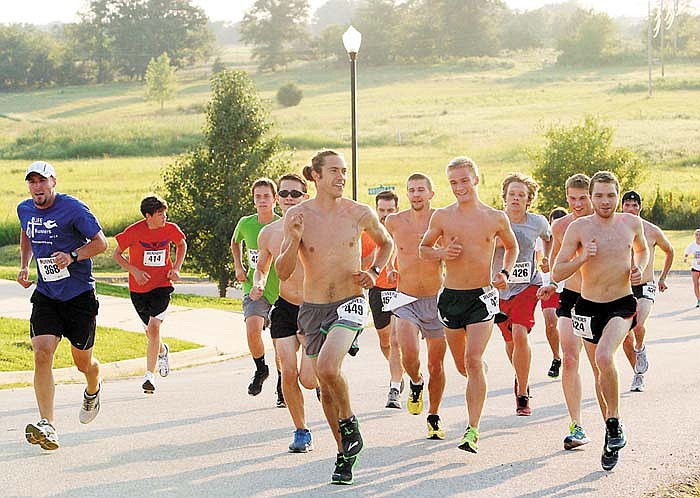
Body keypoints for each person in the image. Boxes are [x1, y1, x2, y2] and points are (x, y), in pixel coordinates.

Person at [276, 150, 393, 485]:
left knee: (328, 368)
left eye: (344, 171)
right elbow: (283, 273)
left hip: (350, 301)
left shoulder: (358, 212)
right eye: (334, 172)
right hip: (312, 309)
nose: (341, 177)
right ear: (315, 176)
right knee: (324, 386)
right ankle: (345, 453)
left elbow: (387, 244)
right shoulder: (297, 216)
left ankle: (350, 423)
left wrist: (373, 270)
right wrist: (294, 240)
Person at [419, 156, 518, 454]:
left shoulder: (495, 217)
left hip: (482, 297)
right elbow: (424, 249)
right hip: (451, 298)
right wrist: (442, 252)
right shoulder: (442, 217)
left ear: (476, 179)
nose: (459, 187)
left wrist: (504, 273)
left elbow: (512, 247)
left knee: (473, 360)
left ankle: (472, 430)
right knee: (463, 365)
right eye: (453, 182)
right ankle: (478, 372)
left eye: (464, 180)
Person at [552, 170, 648, 471]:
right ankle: (609, 430)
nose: (605, 201)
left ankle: (616, 423)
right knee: (598, 371)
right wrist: (582, 258)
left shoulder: (631, 223)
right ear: (591, 197)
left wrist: (639, 268)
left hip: (621, 304)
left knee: (606, 357)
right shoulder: (578, 228)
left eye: (610, 195)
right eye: (599, 195)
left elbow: (642, 250)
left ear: (618, 196)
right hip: (587, 307)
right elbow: (557, 272)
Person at [17, 161, 108, 450]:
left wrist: (72, 255)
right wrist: (24, 265)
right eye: (32, 182)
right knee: (42, 353)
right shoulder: (25, 209)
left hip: (79, 295)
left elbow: (101, 243)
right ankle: (48, 424)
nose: (37, 187)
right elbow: (26, 232)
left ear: (53, 182)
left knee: (83, 362)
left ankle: (93, 388)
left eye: (42, 181)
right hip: (47, 294)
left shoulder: (73, 208)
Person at [251, 173, 318, 453]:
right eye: (285, 194)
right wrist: (258, 283)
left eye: (295, 194)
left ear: (306, 197)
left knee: (309, 379)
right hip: (285, 307)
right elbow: (262, 267)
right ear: (277, 198)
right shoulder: (268, 233)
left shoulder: (317, 229)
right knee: (288, 372)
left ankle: (325, 375)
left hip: (315, 310)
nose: (289, 198)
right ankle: (301, 430)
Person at [384, 173, 450, 440]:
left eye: (421, 189)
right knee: (408, 352)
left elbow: (454, 253)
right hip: (406, 297)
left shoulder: (442, 220)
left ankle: (433, 416)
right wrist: (389, 265)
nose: (416, 194)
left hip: (435, 299)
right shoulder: (395, 220)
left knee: (436, 364)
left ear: (431, 193)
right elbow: (389, 244)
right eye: (411, 190)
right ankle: (414, 381)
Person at [537, 174, 599, 451]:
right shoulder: (561, 226)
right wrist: (551, 284)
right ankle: (577, 424)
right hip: (570, 297)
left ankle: (611, 421)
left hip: (600, 298)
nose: (576, 204)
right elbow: (555, 263)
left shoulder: (605, 222)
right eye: (571, 199)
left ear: (591, 196)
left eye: (582, 198)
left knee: (600, 364)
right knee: (571, 358)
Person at [113, 195, 187, 394]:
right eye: (160, 214)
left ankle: (149, 376)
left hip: (162, 284)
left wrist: (177, 268)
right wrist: (134, 271)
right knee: (150, 332)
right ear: (148, 216)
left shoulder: (170, 229)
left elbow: (181, 244)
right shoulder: (134, 231)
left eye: (165, 213)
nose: (164, 217)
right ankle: (162, 351)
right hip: (139, 289)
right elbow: (116, 254)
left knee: (154, 328)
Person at [494, 173, 552, 416]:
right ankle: (522, 376)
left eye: (521, 195)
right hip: (500, 288)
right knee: (510, 343)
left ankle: (523, 394)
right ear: (504, 198)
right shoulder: (494, 220)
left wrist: (547, 257)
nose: (516, 199)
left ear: (529, 200)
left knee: (520, 332)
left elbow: (549, 238)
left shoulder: (537, 222)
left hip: (528, 285)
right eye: (512, 195)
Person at [231, 178, 282, 402]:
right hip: (253, 288)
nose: (262, 200)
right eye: (258, 197)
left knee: (280, 342)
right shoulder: (246, 223)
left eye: (266, 196)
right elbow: (235, 242)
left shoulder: (283, 224)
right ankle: (261, 368)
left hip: (281, 291)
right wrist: (239, 266)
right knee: (252, 328)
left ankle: (283, 382)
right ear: (253, 200)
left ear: (275, 199)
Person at [620, 190, 674, 392]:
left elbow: (669, 251)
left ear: (640, 208)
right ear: (622, 206)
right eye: (627, 205)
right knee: (625, 336)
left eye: (635, 205)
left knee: (638, 322)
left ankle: (640, 348)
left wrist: (663, 277)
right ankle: (638, 374)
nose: (631, 209)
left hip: (646, 285)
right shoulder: (616, 228)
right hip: (623, 287)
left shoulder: (651, 230)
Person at [361, 189, 403, 409]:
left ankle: (394, 387)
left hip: (401, 289)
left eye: (390, 211)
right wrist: (379, 251)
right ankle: (397, 370)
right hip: (378, 290)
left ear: (397, 210)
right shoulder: (367, 233)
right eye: (381, 211)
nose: (385, 215)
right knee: (385, 342)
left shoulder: (404, 230)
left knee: (396, 340)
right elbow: (360, 264)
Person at [538, 207, 567, 379]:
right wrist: (543, 265)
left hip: (567, 286)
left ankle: (570, 356)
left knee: (567, 326)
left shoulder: (569, 238)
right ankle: (556, 357)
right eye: (553, 224)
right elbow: (536, 258)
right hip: (547, 285)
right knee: (550, 323)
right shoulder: (542, 240)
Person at [683, 229, 700, 307]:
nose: (698, 236)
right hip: (695, 268)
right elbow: (686, 254)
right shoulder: (692, 245)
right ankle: (698, 300)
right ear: (695, 236)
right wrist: (685, 259)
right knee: (696, 284)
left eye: (699, 235)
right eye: (697, 235)